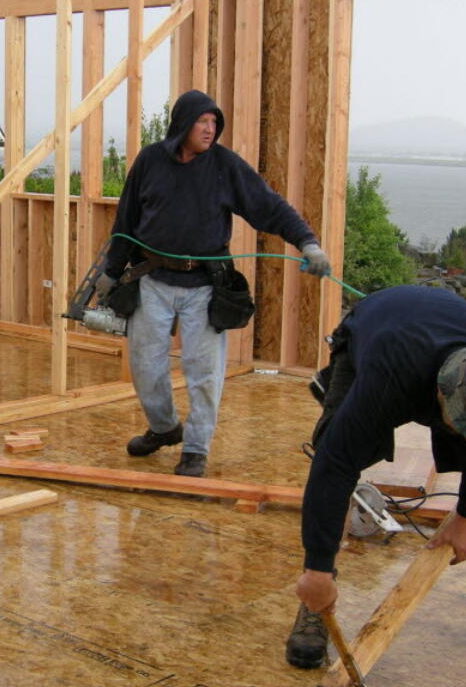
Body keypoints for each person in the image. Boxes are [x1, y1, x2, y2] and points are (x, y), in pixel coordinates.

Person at [287, 285, 466, 668]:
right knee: (335, 453)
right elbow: (333, 469)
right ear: (440, 393)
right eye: (461, 423)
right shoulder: (388, 376)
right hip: (378, 330)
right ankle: (316, 602)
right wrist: (317, 568)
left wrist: (465, 516)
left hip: (432, 335)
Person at [98, 89, 331, 477]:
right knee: (144, 366)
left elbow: (269, 206)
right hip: (151, 279)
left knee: (203, 371)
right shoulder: (150, 161)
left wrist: (308, 243)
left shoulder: (224, 166)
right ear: (182, 125)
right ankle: (164, 428)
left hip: (204, 285)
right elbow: (126, 220)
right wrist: (110, 270)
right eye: (202, 122)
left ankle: (195, 448)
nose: (209, 130)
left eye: (213, 123)